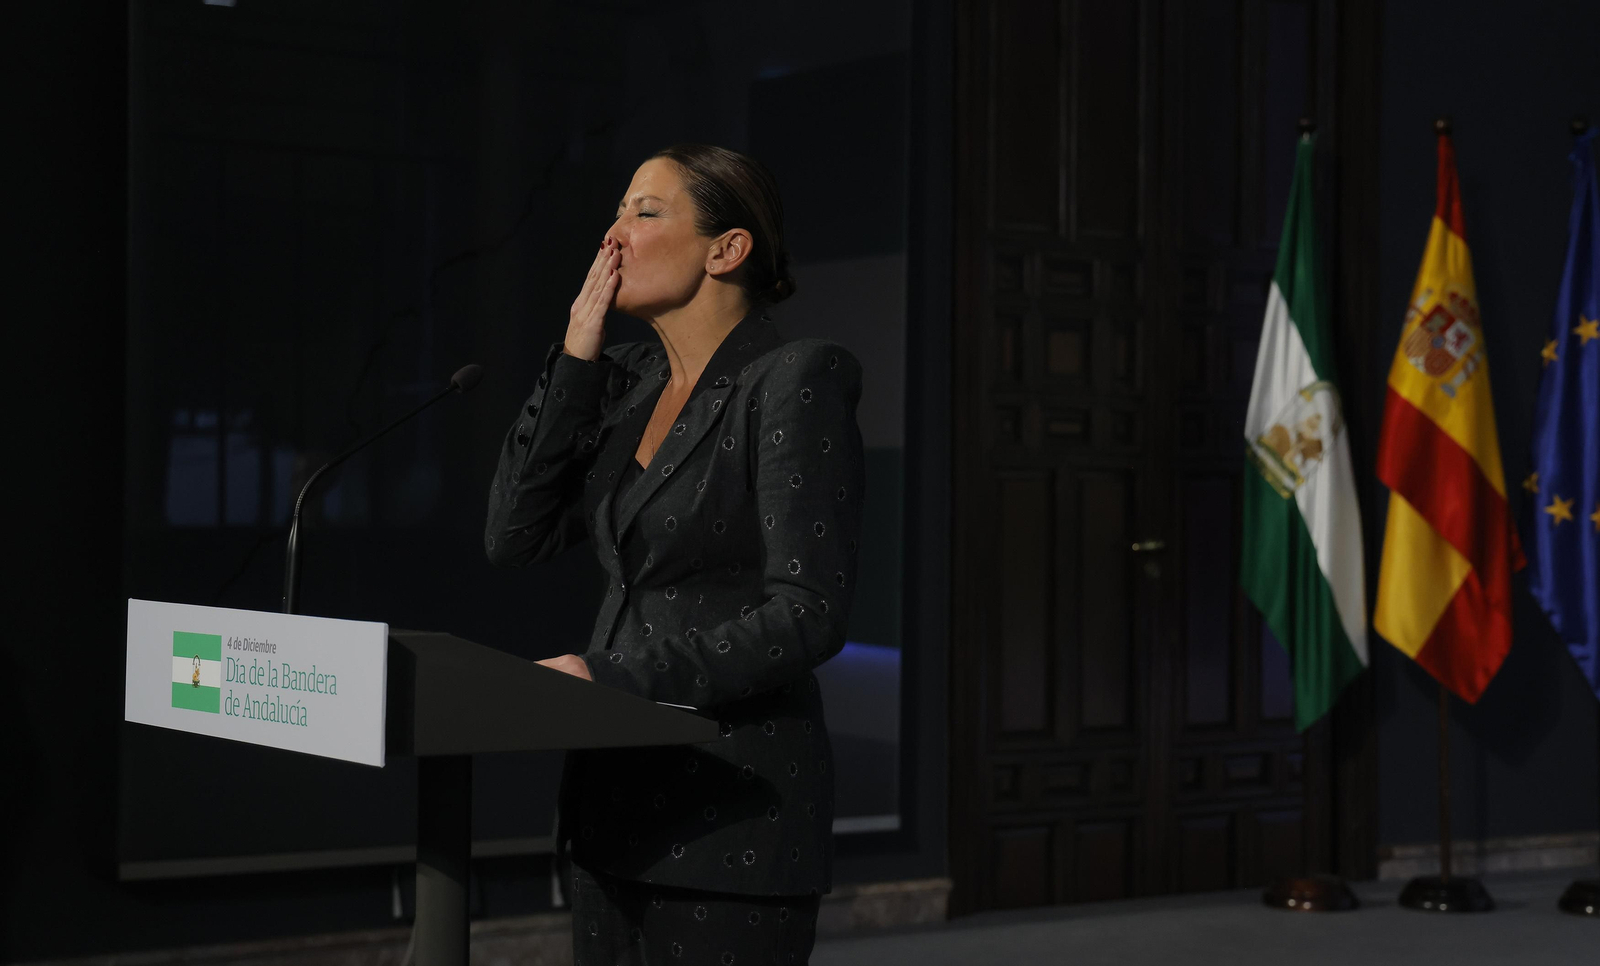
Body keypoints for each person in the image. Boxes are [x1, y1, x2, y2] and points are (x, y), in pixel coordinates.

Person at [484, 143, 865, 965]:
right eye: (617, 210)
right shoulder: (625, 385)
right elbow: (514, 535)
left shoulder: (795, 379)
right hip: (611, 816)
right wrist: (577, 359)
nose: (613, 235)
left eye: (644, 212)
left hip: (730, 814)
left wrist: (615, 680)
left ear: (727, 249)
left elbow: (809, 614)